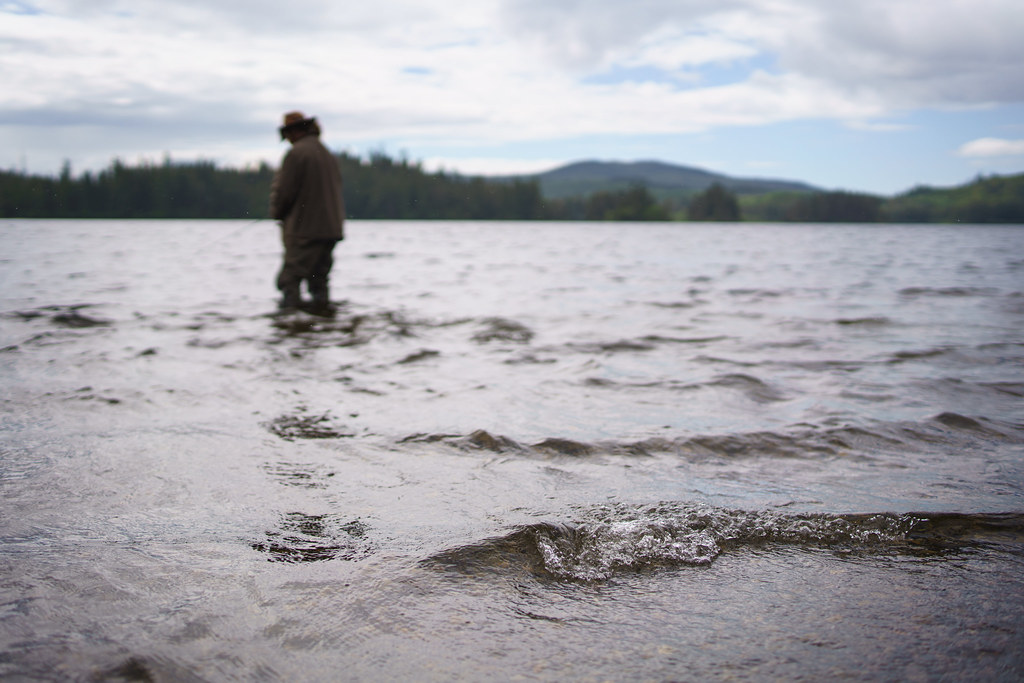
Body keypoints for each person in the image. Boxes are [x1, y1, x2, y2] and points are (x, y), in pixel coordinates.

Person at [270, 111, 346, 314]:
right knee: (319, 281)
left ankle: (291, 326)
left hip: (305, 231)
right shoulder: (326, 153)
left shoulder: (297, 154)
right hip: (331, 229)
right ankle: (323, 326)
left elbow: (284, 192)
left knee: (289, 280)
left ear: (294, 131)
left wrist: (276, 212)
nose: (287, 139)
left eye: (287, 134)